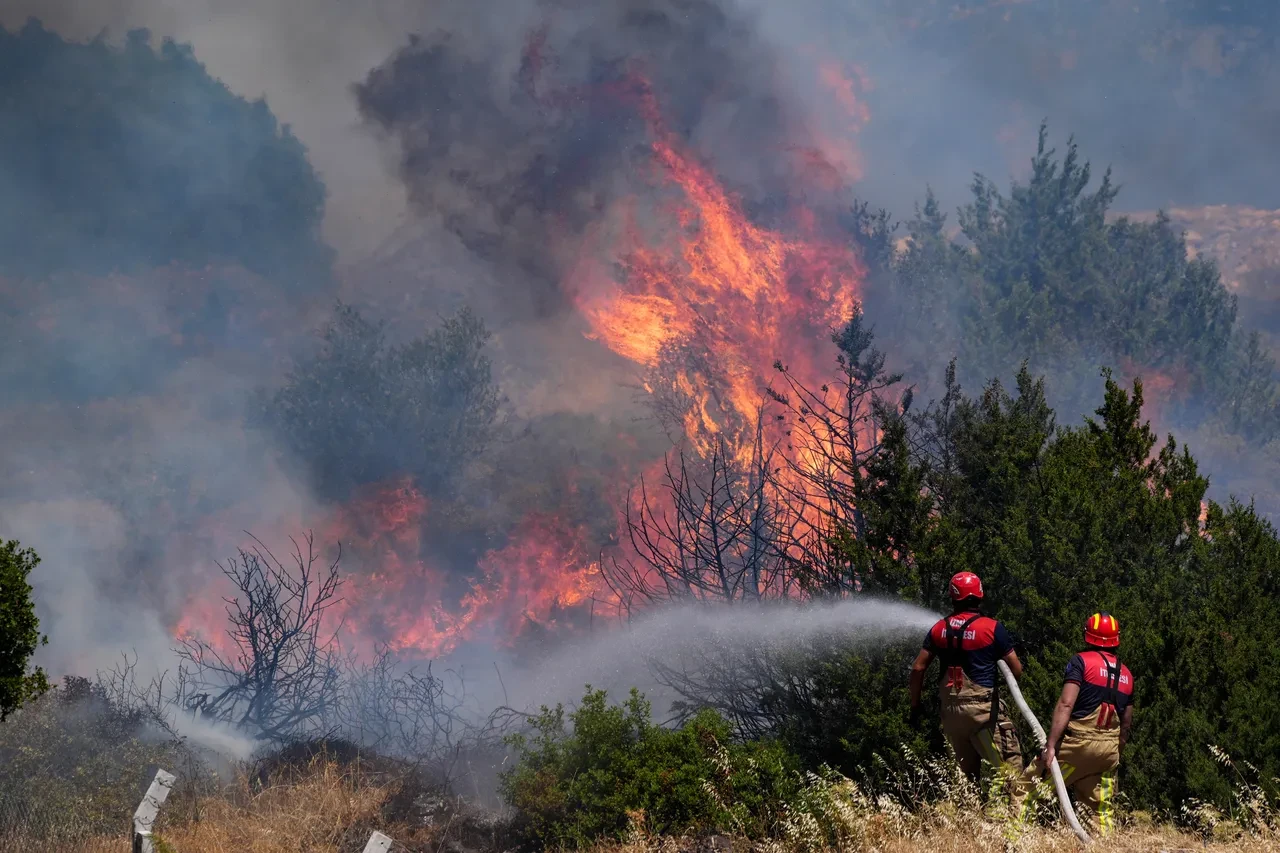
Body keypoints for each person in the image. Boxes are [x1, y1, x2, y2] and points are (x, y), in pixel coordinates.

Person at [909, 571, 1027, 795]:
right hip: (983, 715)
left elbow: (918, 668)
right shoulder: (992, 628)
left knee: (965, 781)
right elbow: (1017, 670)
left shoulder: (938, 629)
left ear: (953, 597)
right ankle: (1015, 826)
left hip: (952, 715)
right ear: (980, 595)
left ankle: (967, 823)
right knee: (1010, 773)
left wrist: (915, 706)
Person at [1038, 612, 1133, 834]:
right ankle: (1104, 847)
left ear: (1087, 636)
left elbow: (1066, 704)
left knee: (1028, 791)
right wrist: (1116, 752)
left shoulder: (1080, 662)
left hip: (1078, 745)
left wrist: (1051, 745)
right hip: (1109, 751)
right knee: (1099, 810)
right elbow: (1126, 724)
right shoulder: (1127, 675)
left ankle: (1012, 843)